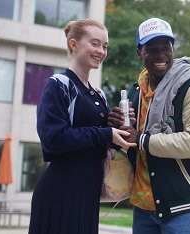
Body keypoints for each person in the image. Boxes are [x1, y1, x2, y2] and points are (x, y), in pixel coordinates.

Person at [109, 17, 190, 233]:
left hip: (181, 205)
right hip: (142, 206)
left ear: (173, 49)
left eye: (165, 47)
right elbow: (130, 146)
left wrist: (141, 139)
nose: (160, 55)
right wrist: (117, 130)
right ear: (139, 52)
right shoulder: (133, 93)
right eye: (151, 48)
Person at [29, 19, 136, 234]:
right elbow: (54, 140)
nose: (101, 51)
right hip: (60, 193)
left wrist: (121, 129)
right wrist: (106, 133)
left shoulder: (99, 95)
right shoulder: (59, 84)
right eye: (95, 43)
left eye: (105, 46)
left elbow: (102, 148)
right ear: (74, 44)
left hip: (88, 195)